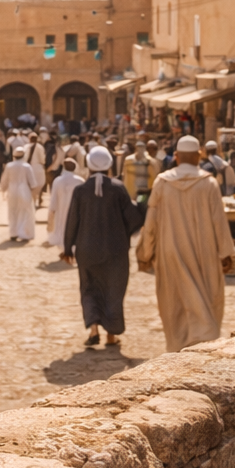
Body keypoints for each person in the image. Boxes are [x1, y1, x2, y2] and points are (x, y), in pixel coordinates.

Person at [135, 135, 235, 351]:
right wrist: (225, 253)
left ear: (177, 157)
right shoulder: (208, 183)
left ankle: (177, 348)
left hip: (170, 251)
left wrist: (145, 253)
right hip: (204, 252)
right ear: (198, 157)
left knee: (175, 303)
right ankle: (205, 344)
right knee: (207, 298)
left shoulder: (162, 183)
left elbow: (150, 223)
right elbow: (219, 221)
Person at [60, 147, 144, 348]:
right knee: (113, 289)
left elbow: (73, 220)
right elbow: (132, 219)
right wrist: (141, 207)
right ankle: (111, 335)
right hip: (115, 250)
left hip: (86, 249)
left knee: (89, 287)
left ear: (88, 166)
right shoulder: (118, 188)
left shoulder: (81, 191)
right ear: (109, 166)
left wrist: (67, 247)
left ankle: (94, 329)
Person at [1, 146, 37, 242]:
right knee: (26, 212)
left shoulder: (9, 166)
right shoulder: (27, 166)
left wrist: (3, 190)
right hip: (24, 190)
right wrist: (34, 194)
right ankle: (25, 234)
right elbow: (33, 183)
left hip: (12, 191)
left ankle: (13, 233)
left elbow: (4, 181)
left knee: (12, 212)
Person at [45, 157, 81, 250]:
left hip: (60, 209)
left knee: (61, 228)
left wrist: (51, 212)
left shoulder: (58, 180)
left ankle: (63, 248)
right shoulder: (80, 180)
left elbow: (53, 199)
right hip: (75, 210)